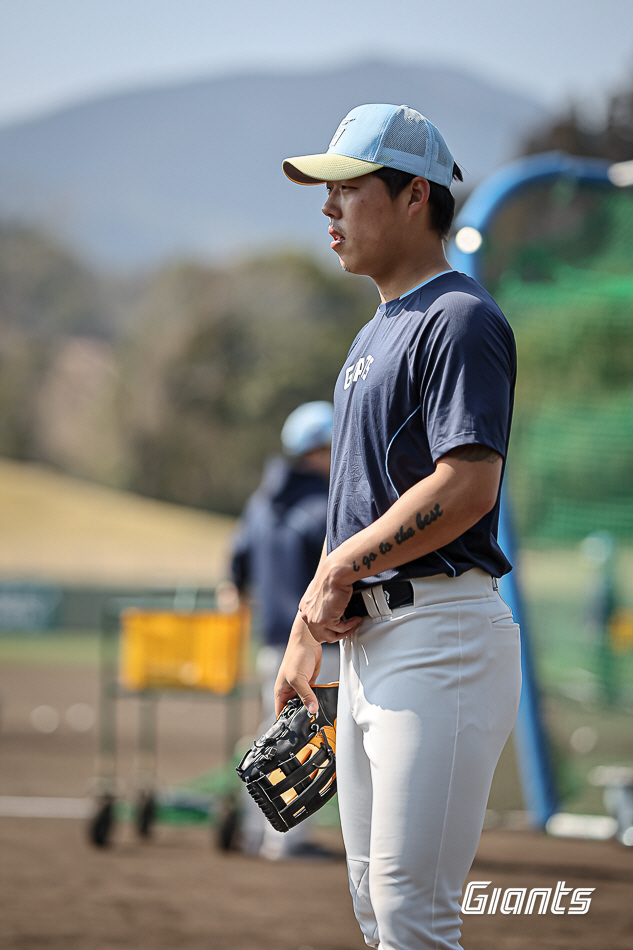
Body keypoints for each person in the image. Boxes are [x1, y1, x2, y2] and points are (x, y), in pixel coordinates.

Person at [275, 103, 522, 949]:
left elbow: (467, 485)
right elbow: (358, 502)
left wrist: (339, 566)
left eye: (346, 187)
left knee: (413, 913)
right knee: (378, 914)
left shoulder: (457, 318)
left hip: (442, 634)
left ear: (414, 195)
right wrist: (314, 626)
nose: (327, 208)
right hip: (376, 645)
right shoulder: (375, 331)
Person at [230, 400, 339, 859]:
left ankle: (255, 830)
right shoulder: (324, 503)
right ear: (317, 450)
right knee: (309, 736)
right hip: (316, 641)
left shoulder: (261, 502)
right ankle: (285, 839)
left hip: (272, 640)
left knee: (274, 732)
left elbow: (236, 567)